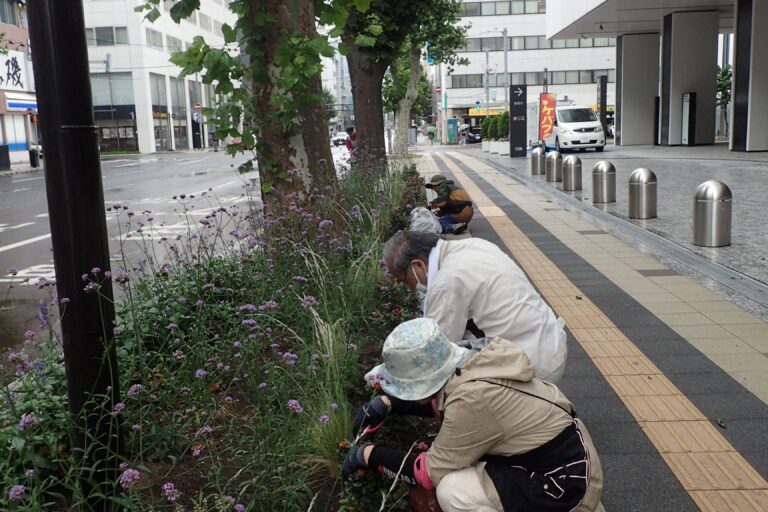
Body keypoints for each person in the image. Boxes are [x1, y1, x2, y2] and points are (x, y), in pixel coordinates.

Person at [343, 318, 603, 512]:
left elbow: (427, 472)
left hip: (564, 486)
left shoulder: (472, 399)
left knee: (453, 490)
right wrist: (390, 404)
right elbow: (446, 404)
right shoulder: (475, 360)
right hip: (563, 459)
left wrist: (367, 455)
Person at [382, 231, 567, 383]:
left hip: (533, 364)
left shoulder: (447, 282)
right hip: (549, 339)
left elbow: (435, 351)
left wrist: (388, 377)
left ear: (417, 265)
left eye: (404, 281)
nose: (410, 288)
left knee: (462, 392)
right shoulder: (474, 244)